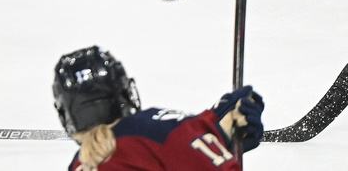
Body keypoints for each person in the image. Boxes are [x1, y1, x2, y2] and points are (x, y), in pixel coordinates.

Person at [53, 46, 265, 170]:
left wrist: (218, 130)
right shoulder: (157, 131)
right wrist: (218, 136)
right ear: (124, 94)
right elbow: (173, 142)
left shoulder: (79, 164)